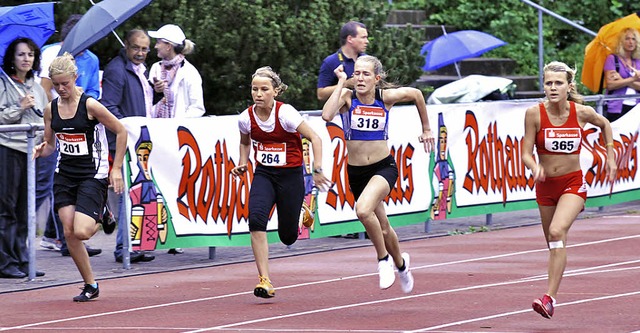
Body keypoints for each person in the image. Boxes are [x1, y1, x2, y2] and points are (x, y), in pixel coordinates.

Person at [322, 55, 434, 293]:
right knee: (383, 226)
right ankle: (402, 265)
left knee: (362, 210)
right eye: (357, 74)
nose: (360, 78)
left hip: (383, 167)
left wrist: (426, 129)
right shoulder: (346, 98)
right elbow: (326, 115)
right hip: (356, 172)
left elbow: (416, 94)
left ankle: (383, 260)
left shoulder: (385, 98)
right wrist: (342, 82)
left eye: (366, 74)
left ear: (376, 78)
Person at [522, 61, 617, 319]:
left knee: (556, 231)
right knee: (554, 244)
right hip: (545, 187)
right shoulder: (534, 114)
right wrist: (534, 167)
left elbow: (605, 124)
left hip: (572, 183)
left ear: (568, 86)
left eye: (558, 83)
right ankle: (551, 295)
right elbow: (526, 153)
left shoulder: (582, 113)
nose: (552, 88)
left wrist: (610, 155)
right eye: (548, 83)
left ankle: (549, 298)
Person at [32, 53, 127, 301]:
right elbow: (51, 144)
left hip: (92, 173)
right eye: (56, 85)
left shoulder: (90, 105)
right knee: (69, 232)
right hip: (64, 173)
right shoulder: (50, 109)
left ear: (75, 78)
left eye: (66, 83)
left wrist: (116, 168)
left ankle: (103, 212)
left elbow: (121, 130)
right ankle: (90, 284)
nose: (61, 89)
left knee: (83, 231)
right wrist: (43, 148)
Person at [231, 67, 331, 298]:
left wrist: (317, 169)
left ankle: (299, 209)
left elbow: (314, 138)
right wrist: (243, 163)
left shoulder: (286, 114)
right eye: (254, 89)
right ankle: (264, 280)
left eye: (264, 89)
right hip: (264, 174)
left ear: (275, 91)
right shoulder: (245, 118)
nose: (258, 94)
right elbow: (245, 143)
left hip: (290, 175)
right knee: (256, 219)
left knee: (288, 237)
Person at [37, 14, 103, 258]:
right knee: (52, 184)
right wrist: (61, 109)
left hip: (83, 129)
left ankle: (74, 234)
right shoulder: (50, 53)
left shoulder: (91, 59)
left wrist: (85, 100)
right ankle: (56, 237)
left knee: (78, 183)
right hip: (56, 125)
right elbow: (43, 89)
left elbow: (95, 89)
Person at [100, 29, 156, 264]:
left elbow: (143, 105)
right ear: (126, 46)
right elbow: (109, 107)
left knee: (138, 192)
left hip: (138, 140)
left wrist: (159, 94)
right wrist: (129, 129)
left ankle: (134, 244)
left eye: (144, 49)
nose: (140, 53)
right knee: (127, 194)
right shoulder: (116, 70)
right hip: (124, 142)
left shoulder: (140, 71)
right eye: (136, 48)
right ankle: (124, 246)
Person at [0, 37, 47, 279]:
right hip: (8, 149)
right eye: (21, 54)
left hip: (31, 151)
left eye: (30, 54)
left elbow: (43, 116)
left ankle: (22, 257)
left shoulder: (36, 87)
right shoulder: (3, 83)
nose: (26, 58)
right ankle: (5, 262)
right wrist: (19, 107)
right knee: (7, 208)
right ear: (12, 58)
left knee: (25, 208)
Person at [147, 24, 205, 118]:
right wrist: (156, 92)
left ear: (168, 46)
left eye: (158, 42)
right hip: (155, 128)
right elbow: (148, 100)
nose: (155, 46)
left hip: (178, 130)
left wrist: (178, 124)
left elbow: (197, 107)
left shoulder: (190, 72)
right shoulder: (155, 67)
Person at [317, 21, 368, 102]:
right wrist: (346, 84)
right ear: (350, 39)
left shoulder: (368, 61)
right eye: (363, 37)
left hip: (367, 110)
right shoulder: (331, 62)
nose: (367, 41)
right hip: (340, 112)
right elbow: (321, 94)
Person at [603, 28, 640, 122]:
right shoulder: (612, 59)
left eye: (633, 39)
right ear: (621, 42)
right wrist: (633, 79)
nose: (631, 42)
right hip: (616, 108)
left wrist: (622, 80)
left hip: (636, 108)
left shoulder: (638, 62)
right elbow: (610, 85)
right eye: (627, 39)